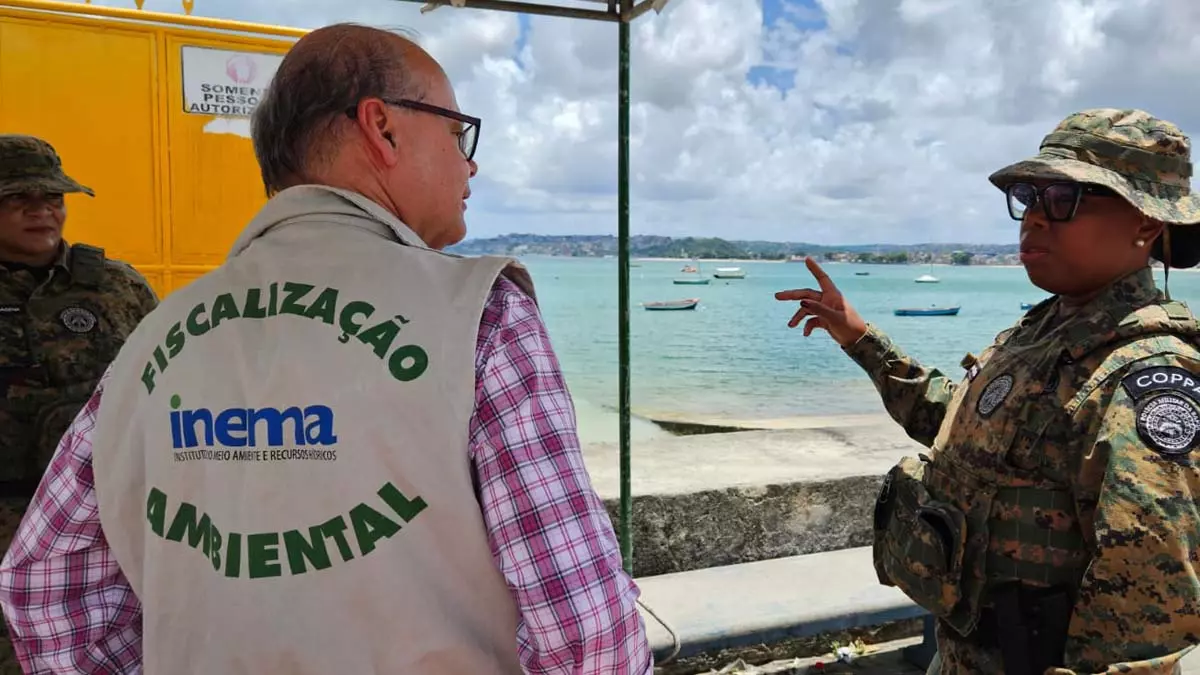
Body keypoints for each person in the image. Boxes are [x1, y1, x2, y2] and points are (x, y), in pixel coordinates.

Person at [0, 23, 651, 675]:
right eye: (459, 133)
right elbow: (586, 632)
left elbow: (42, 584)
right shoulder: (480, 315)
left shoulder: (149, 341)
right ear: (382, 128)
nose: (470, 162)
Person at [776, 108, 1200, 675]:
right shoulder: (1045, 330)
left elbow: (1144, 628)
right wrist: (860, 339)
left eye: (1063, 199)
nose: (1034, 220)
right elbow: (962, 433)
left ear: (1146, 224)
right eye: (1029, 197)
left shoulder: (1142, 378)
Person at [0, 134, 158, 673]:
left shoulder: (117, 287)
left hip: (98, 533)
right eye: (20, 198)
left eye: (54, 197)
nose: (43, 210)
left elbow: (163, 392)